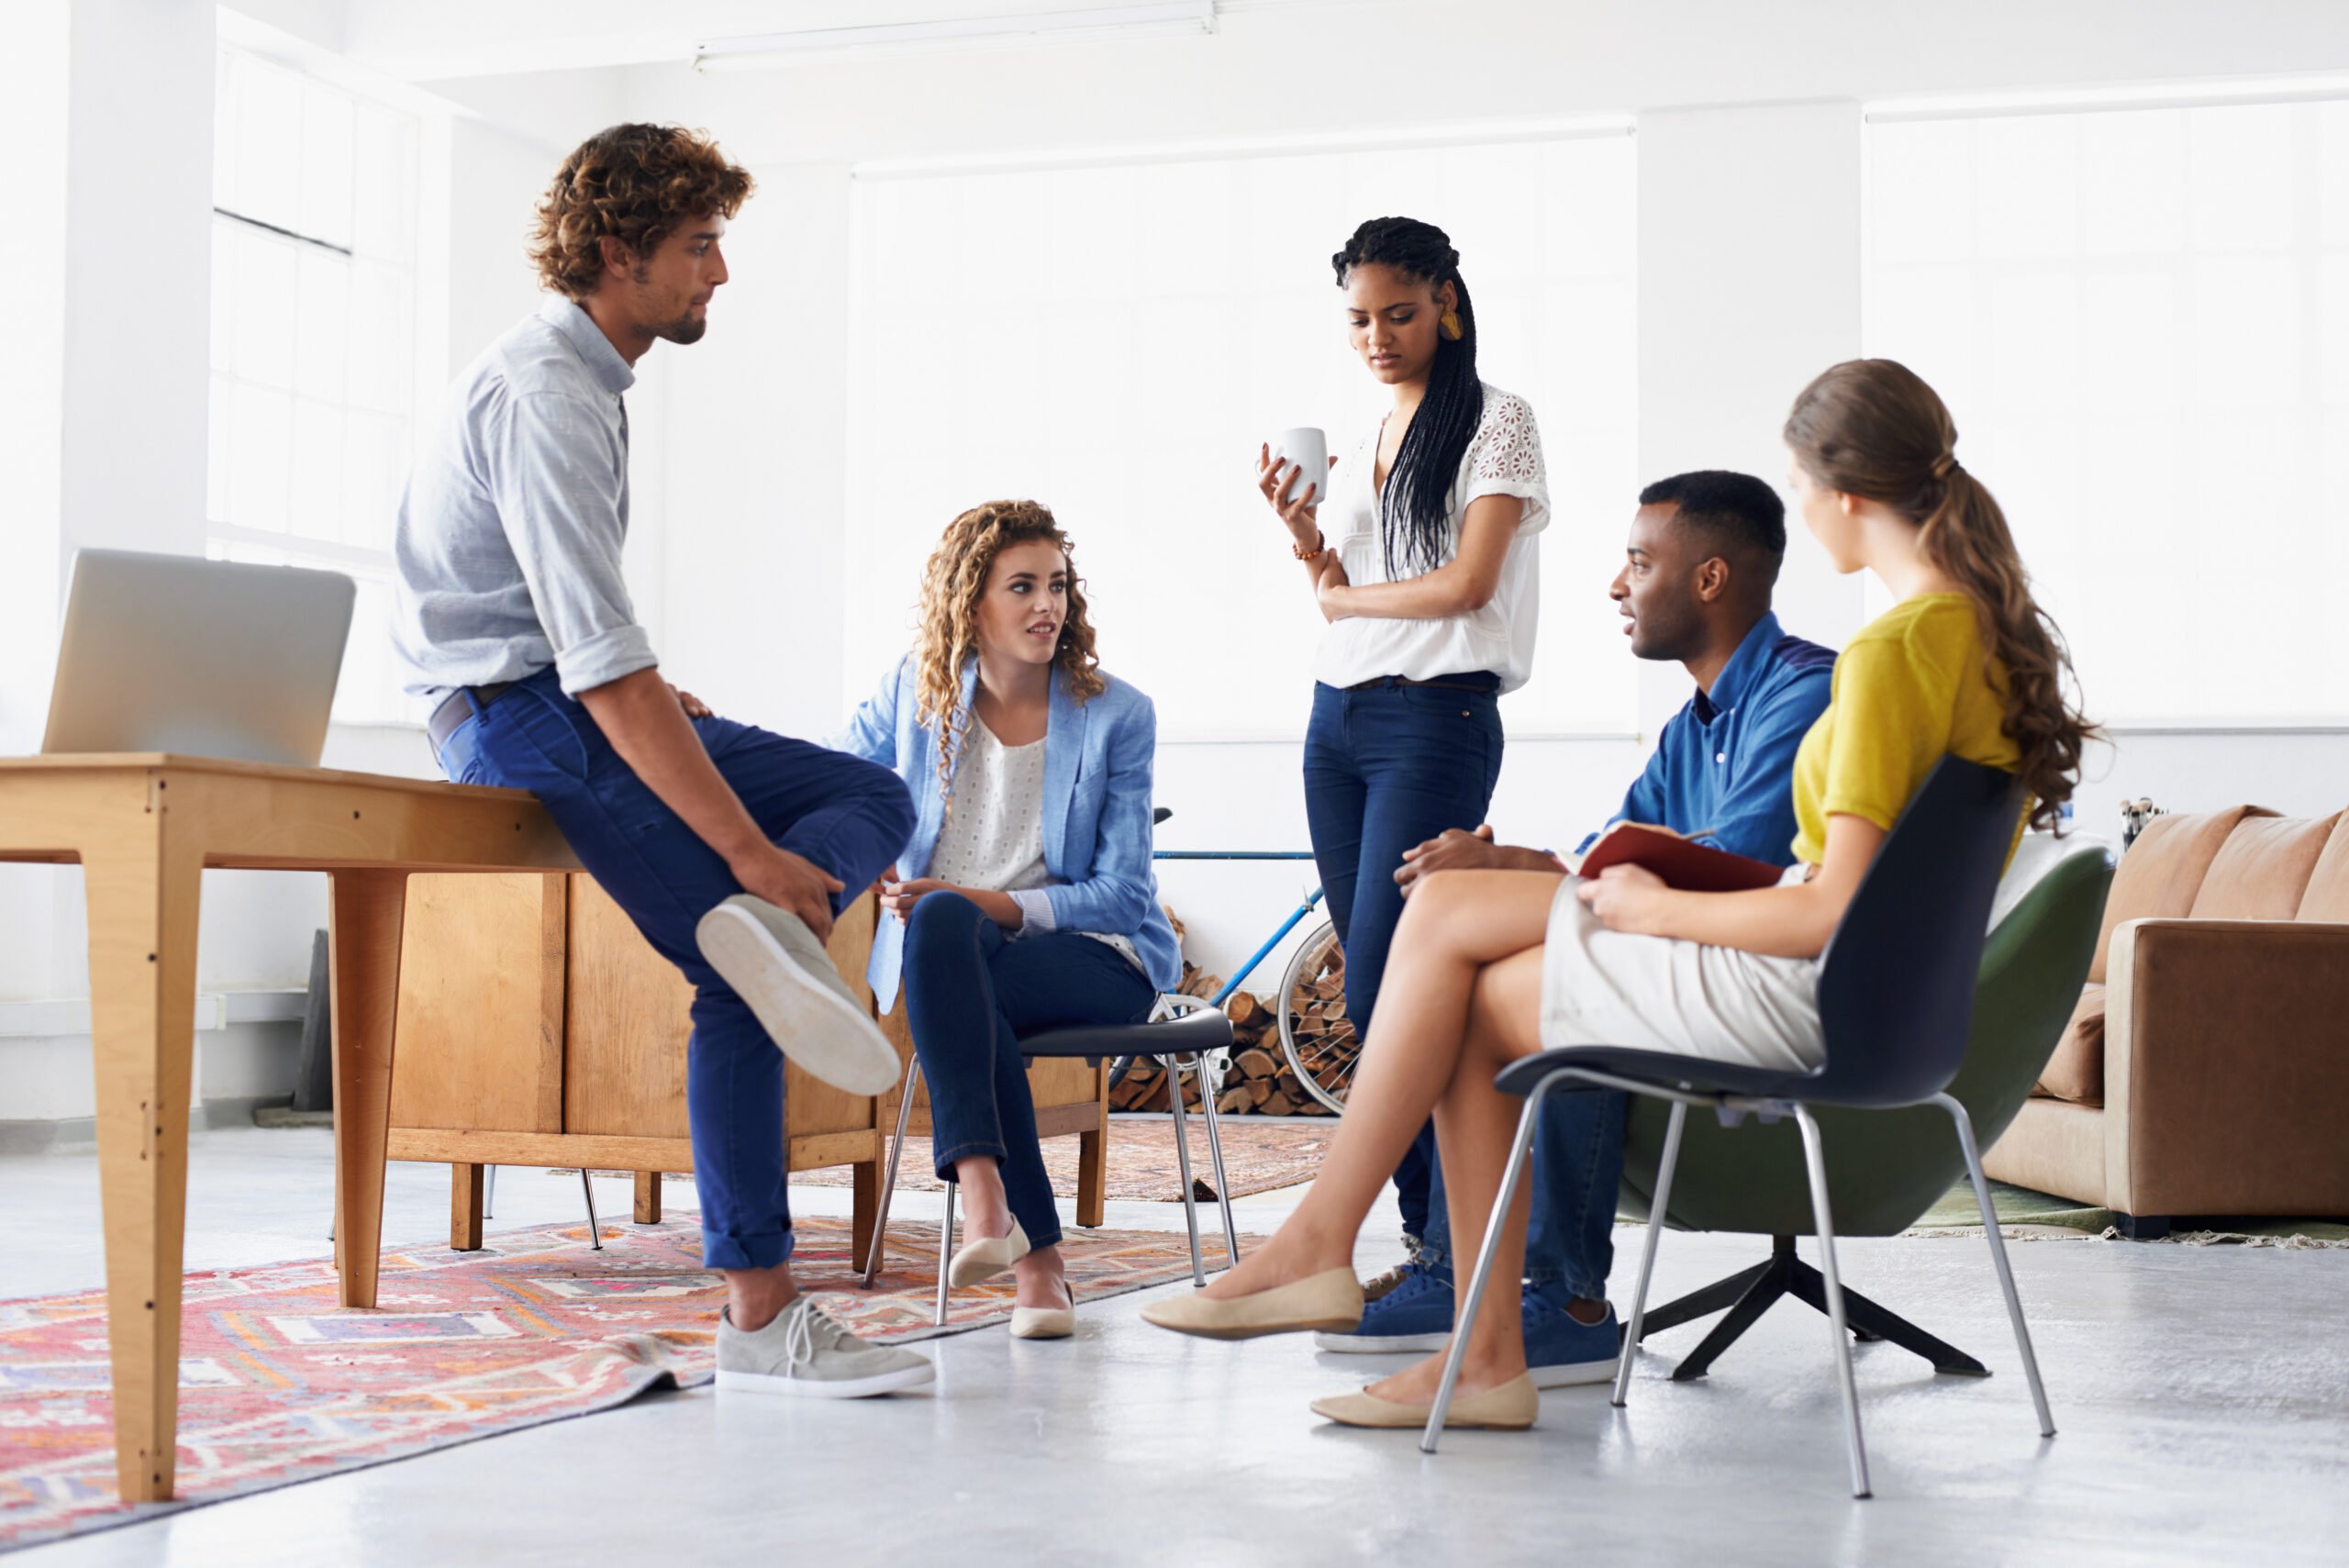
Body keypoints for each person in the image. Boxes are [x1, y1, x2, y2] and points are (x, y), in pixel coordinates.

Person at [1148, 359, 2093, 1436]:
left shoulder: (1889, 651)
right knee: (1471, 973)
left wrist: (1652, 907)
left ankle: (1331, 1246)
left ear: (1839, 492)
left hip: (1810, 1000)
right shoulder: (1969, 636)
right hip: (1879, 1008)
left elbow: (1830, 907)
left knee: (1447, 920)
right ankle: (1483, 1348)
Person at [392, 124, 933, 1399]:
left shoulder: (585, 382)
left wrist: (752, 848)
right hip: (508, 713)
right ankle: (759, 1316)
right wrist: (744, 848)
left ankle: (770, 931)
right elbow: (595, 664)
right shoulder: (545, 392)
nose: (721, 276)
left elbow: (595, 644)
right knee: (739, 977)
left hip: (558, 686)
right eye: (701, 248)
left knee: (875, 790)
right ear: (619, 252)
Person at [1314, 470, 1834, 1387]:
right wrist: (1513, 859)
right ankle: (1465, 1275)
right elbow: (1622, 852)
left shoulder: (1804, 690)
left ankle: (1560, 1294)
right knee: (1485, 940)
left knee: (1528, 964)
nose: (1615, 583)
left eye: (1639, 560)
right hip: (1686, 959)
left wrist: (1546, 877)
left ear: (1709, 578)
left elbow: (1736, 859)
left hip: (1763, 982)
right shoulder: (1689, 726)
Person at [1256, 215, 1549, 1281]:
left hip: (1436, 718)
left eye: (1398, 312)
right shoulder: (1370, 429)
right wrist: (1304, 541)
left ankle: (1451, 1249)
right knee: (1371, 980)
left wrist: (1338, 592)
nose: (1376, 334)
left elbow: (1467, 585)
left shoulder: (1497, 422)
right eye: (1359, 318)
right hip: (1336, 720)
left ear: (1447, 306)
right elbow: (1343, 599)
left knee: (1395, 984)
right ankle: (1438, 1241)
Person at [833, 500, 1182, 1340]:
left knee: (950, 930)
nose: (1047, 605)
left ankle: (1002, 1222)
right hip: (956, 955)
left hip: (1091, 954)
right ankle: (1019, 1242)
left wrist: (990, 902)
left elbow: (1122, 894)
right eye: (1021, 586)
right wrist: (868, 841)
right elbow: (835, 776)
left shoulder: (1116, 715)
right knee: (948, 939)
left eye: (1057, 585)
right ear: (971, 602)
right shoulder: (915, 692)